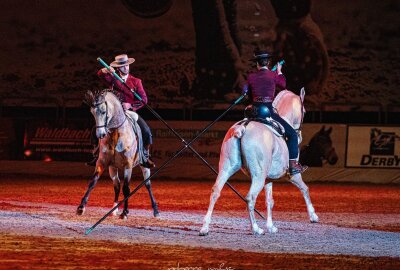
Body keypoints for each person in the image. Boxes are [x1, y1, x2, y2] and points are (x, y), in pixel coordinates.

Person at [244, 49, 307, 175]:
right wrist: (279, 71)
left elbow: (245, 92)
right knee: (293, 135)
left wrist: (248, 90)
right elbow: (283, 84)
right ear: (268, 63)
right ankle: (293, 165)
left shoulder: (251, 76)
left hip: (252, 112)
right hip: (267, 112)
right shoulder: (273, 75)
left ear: (257, 64)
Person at [86, 54, 155, 168]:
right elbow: (101, 75)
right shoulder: (113, 78)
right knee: (96, 129)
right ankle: (95, 153)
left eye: (127, 65)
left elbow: (144, 99)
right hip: (115, 113)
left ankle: (146, 156)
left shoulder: (136, 81)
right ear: (118, 68)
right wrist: (105, 70)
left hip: (129, 112)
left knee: (146, 130)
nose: (126, 68)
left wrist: (131, 105)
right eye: (123, 66)